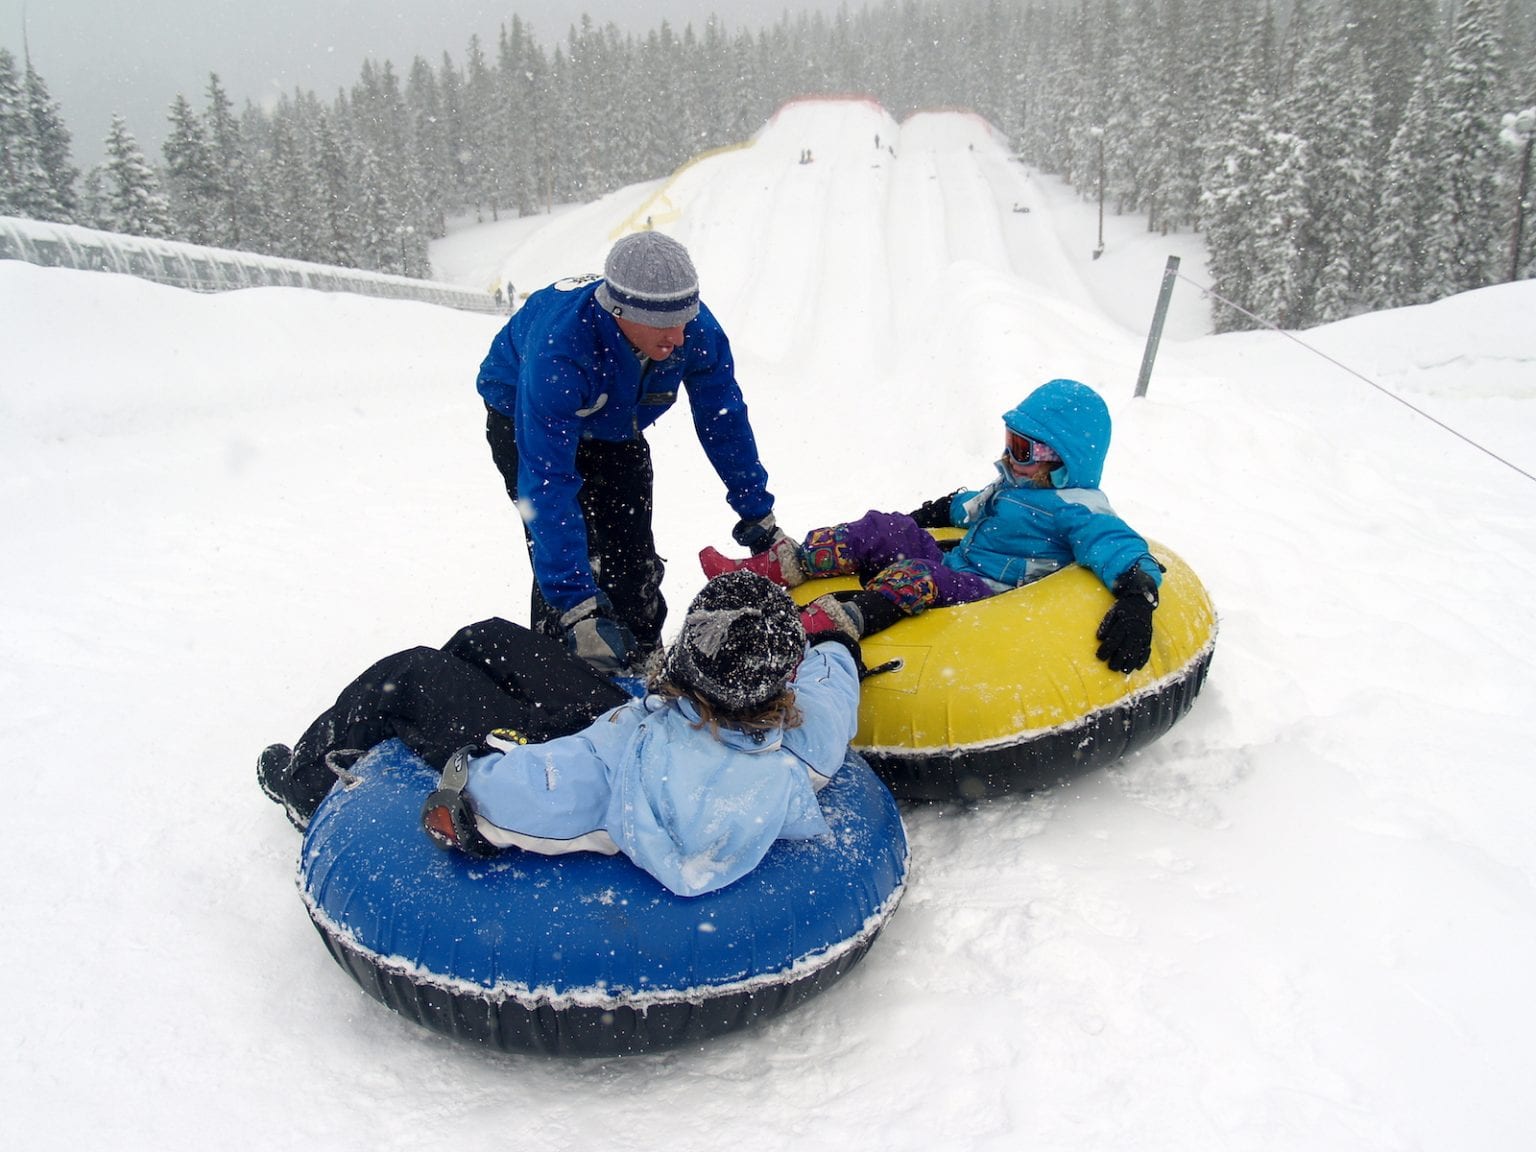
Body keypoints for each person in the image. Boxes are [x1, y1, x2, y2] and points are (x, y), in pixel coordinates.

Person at [419, 571, 865, 898]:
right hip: (639, 717)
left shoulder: (619, 777)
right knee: (489, 637)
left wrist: (471, 772)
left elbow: (490, 802)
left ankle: (350, 740)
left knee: (417, 672)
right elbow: (831, 683)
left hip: (576, 744)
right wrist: (836, 644)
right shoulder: (808, 737)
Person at [476, 232, 785, 679]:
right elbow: (547, 486)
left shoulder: (694, 330)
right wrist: (577, 609)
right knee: (576, 551)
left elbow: (724, 420)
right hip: (524, 414)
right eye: (663, 326)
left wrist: (759, 517)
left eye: (685, 320)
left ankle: (642, 658)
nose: (679, 337)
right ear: (619, 312)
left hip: (615, 422)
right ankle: (561, 670)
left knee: (633, 556)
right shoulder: (560, 353)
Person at [701, 378, 1163, 674]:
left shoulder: (1078, 508)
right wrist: (937, 511)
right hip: (957, 561)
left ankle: (812, 629)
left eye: (1022, 450)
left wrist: (1138, 600)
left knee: (917, 579)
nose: (1008, 457)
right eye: (1009, 442)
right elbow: (974, 507)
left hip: (987, 593)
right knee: (885, 527)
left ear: (1063, 461)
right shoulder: (1017, 485)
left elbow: (1121, 547)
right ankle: (780, 567)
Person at [256, 618, 631, 831]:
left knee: (411, 675)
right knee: (485, 638)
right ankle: (452, 710)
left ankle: (304, 785)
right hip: (634, 726)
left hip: (595, 770)